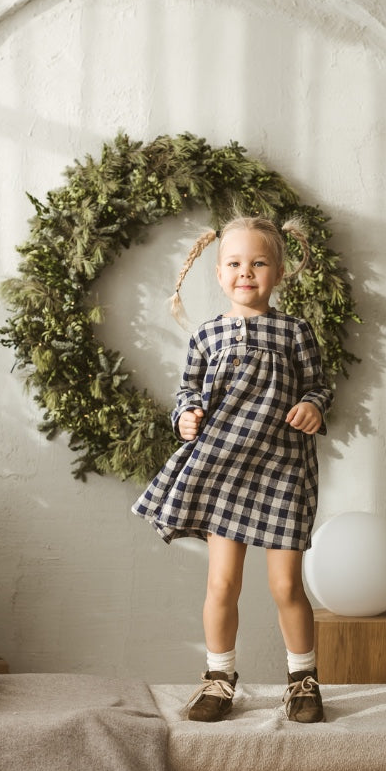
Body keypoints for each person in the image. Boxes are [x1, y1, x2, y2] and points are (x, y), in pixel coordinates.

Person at [132, 214, 333, 723]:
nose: (247, 272)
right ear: (219, 274)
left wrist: (312, 406)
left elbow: (319, 385)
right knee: (222, 584)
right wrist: (186, 417)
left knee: (287, 585)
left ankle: (303, 680)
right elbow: (187, 393)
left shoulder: (294, 331)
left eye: (259, 263)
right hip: (225, 468)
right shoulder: (206, 336)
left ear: (279, 272)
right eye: (235, 264)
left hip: (282, 467)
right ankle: (219, 679)